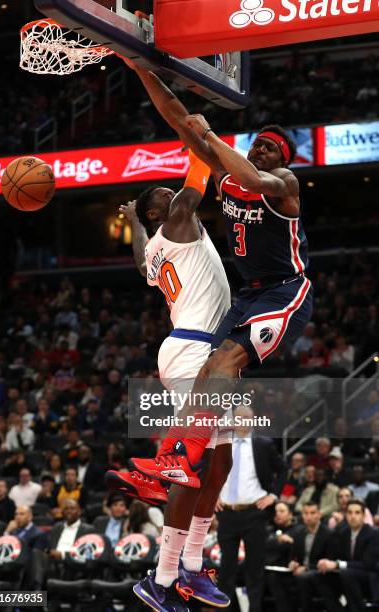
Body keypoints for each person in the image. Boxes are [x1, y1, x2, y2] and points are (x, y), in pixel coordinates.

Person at [119, 58, 312, 611]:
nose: (265, 152)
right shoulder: (184, 211)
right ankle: (174, 552)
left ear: (285, 161)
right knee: (214, 408)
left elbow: (247, 176)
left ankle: (186, 552)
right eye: (262, 145)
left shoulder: (282, 183)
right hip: (214, 324)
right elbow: (179, 119)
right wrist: (140, 66)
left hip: (282, 291)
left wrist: (205, 138)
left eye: (274, 148)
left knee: (221, 452)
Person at [109, 147, 232, 609]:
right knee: (191, 465)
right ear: (163, 211)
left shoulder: (159, 247)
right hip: (194, 351)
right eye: (168, 194)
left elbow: (142, 265)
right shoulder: (178, 221)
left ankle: (193, 568)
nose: (177, 193)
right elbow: (198, 178)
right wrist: (199, 137)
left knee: (220, 466)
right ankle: (162, 578)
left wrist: (135, 223)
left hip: (204, 352)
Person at [215, 406, 286, 612]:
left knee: (254, 568)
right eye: (239, 418)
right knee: (226, 568)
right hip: (226, 514)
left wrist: (272, 496)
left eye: (247, 418)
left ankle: (254, 609)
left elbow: (282, 470)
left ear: (253, 420)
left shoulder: (263, 445)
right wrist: (211, 497)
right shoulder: (220, 444)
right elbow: (207, 472)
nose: (243, 421)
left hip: (254, 513)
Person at [267, 501, 333, 612]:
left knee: (303, 578)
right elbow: (294, 556)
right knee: (273, 577)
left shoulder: (329, 534)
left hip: (319, 573)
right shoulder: (299, 533)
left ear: (319, 514)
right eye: (306, 513)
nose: (309, 517)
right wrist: (293, 563)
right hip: (300, 571)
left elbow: (329, 560)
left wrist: (307, 568)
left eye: (312, 513)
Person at [316, 500, 379, 612]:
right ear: (345, 515)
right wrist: (325, 562)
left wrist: (337, 564)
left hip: (368, 577)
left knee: (347, 573)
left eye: (357, 512)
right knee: (318, 575)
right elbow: (335, 556)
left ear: (364, 516)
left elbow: (368, 564)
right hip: (347, 575)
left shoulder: (373, 534)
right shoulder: (342, 533)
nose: (353, 516)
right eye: (349, 512)